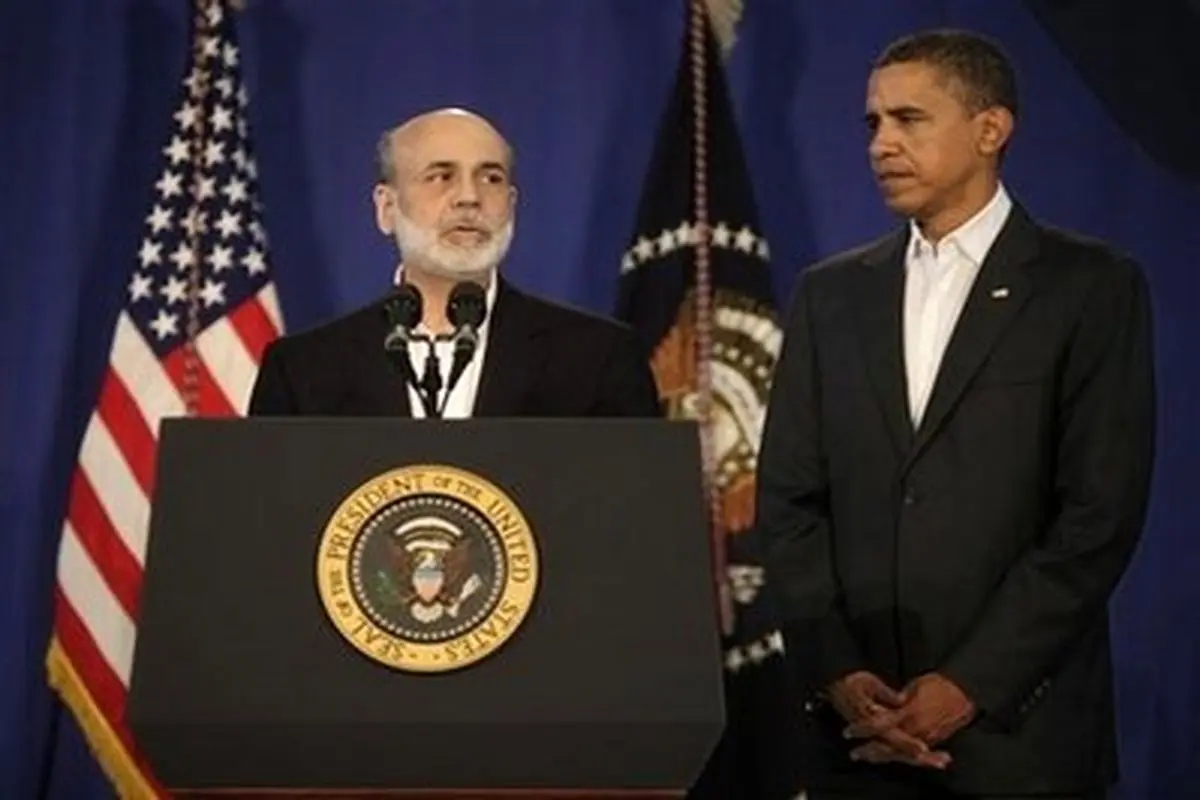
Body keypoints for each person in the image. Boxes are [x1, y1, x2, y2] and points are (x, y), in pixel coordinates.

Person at [756, 29, 1155, 800]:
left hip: (1020, 743)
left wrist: (969, 684)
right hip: (860, 740)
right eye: (874, 123)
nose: (882, 144)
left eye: (909, 119)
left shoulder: (1091, 286)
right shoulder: (830, 295)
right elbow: (788, 501)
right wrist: (839, 671)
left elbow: (1098, 515)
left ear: (990, 128)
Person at [248, 108, 660, 419]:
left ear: (511, 205)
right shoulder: (302, 370)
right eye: (441, 176)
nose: (469, 197)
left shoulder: (599, 358)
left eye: (491, 178)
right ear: (387, 208)